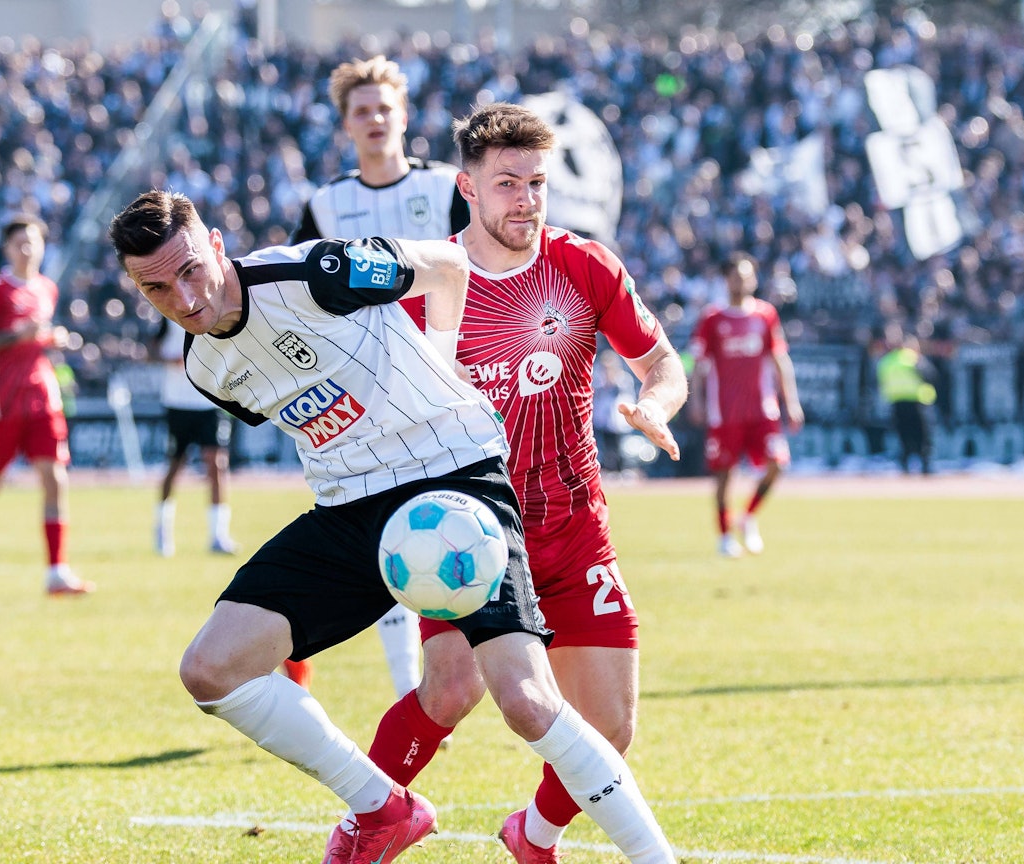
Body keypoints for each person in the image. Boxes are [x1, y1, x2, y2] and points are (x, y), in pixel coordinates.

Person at [109, 190, 679, 864]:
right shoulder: (205, 366)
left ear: (217, 245)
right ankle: (383, 807)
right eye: (157, 288)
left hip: (453, 474)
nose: (184, 297)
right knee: (209, 670)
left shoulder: (317, 273)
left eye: (191, 269)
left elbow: (446, 267)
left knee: (525, 700)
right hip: (350, 508)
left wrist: (442, 369)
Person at [325, 103, 687, 864]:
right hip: (469, 528)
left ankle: (534, 834)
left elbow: (662, 364)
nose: (525, 199)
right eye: (507, 184)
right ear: (468, 188)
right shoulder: (423, 283)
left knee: (612, 727)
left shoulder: (585, 266)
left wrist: (653, 405)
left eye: (536, 183)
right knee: (453, 687)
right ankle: (363, 828)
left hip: (574, 523)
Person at [288, 54, 471, 700]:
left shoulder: (446, 188)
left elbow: (486, 271)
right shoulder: (326, 204)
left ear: (404, 116)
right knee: (391, 532)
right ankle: (406, 685)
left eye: (384, 108)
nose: (374, 120)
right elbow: (298, 294)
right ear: (345, 125)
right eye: (361, 111)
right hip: (366, 393)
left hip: (448, 383)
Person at [0, 215, 93, 601]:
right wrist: (16, 336)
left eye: (33, 242)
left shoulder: (47, 289)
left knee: (55, 478)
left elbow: (35, 338)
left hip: (41, 394)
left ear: (43, 245)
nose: (27, 249)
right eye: (19, 244)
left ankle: (56, 571)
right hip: (2, 401)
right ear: (7, 249)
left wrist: (50, 338)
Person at [686, 252, 805, 558]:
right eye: (737, 275)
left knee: (777, 464)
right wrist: (696, 400)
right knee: (725, 475)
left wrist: (791, 401)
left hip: (762, 409)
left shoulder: (765, 315)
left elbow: (779, 359)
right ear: (727, 279)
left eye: (747, 275)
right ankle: (725, 536)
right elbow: (700, 365)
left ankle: (748, 516)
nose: (742, 281)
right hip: (724, 412)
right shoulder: (712, 318)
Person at [152, 316, 237, 558]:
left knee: (217, 465)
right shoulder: (168, 316)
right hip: (177, 401)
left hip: (210, 401)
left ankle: (218, 535)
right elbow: (150, 348)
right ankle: (162, 529)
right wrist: (169, 359)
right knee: (176, 465)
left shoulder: (214, 313)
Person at [876, 326, 937, 475]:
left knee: (903, 436)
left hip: (896, 402)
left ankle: (904, 466)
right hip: (917, 401)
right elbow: (931, 375)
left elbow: (880, 382)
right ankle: (925, 466)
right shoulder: (912, 358)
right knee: (922, 436)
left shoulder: (885, 361)